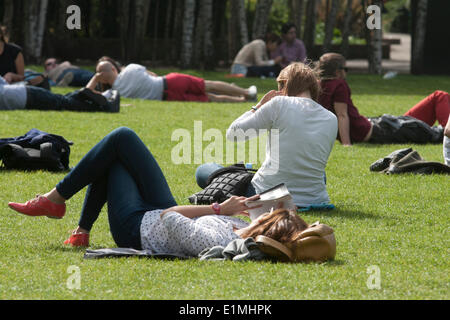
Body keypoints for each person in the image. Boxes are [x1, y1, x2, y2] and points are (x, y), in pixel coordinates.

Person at [8, 127, 310, 256]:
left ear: (267, 229)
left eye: (268, 217)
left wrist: (219, 209)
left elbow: (170, 218)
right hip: (156, 210)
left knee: (117, 152)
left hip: (138, 227)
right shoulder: (245, 229)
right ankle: (76, 225)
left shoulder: (225, 240)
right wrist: (249, 207)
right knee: (121, 142)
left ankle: (58, 202)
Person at [196, 63, 338, 208]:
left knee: (204, 170)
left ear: (284, 85)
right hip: (315, 198)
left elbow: (233, 134)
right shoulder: (331, 118)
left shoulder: (279, 104)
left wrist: (258, 106)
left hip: (267, 195)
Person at [317, 53, 449, 145]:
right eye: (345, 69)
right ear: (337, 72)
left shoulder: (319, 86)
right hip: (378, 130)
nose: (346, 73)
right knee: (433, 122)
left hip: (376, 124)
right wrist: (346, 144)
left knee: (435, 100)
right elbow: (342, 115)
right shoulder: (339, 85)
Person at [88, 58, 258, 103]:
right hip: (169, 81)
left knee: (210, 98)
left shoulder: (112, 93)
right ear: (113, 68)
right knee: (208, 85)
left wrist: (95, 78)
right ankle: (247, 93)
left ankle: (241, 99)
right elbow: (153, 74)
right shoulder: (131, 68)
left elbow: (86, 94)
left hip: (167, 96)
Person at [0, 75, 119, 113]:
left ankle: (104, 106)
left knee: (64, 103)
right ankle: (83, 94)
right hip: (25, 92)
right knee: (63, 100)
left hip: (27, 96)